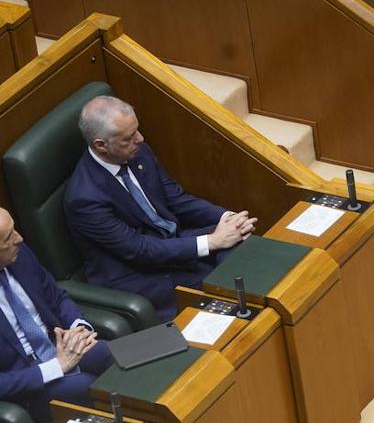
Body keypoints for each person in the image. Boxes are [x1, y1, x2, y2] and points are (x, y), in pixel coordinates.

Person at [64, 96, 256, 322]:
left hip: (172, 244)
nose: (140, 139)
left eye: (137, 131)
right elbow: (139, 250)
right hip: (140, 276)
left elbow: (177, 199)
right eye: (129, 138)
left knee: (246, 250)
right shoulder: (84, 198)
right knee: (235, 297)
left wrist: (227, 217)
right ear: (100, 145)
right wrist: (213, 241)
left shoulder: (138, 152)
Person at [0, 208, 111, 423]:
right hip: (26, 383)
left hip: (59, 346)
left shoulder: (19, 255)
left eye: (14, 230)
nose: (19, 239)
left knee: (115, 356)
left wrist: (78, 328)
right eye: (8, 238)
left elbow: (57, 297)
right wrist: (56, 366)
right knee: (93, 387)